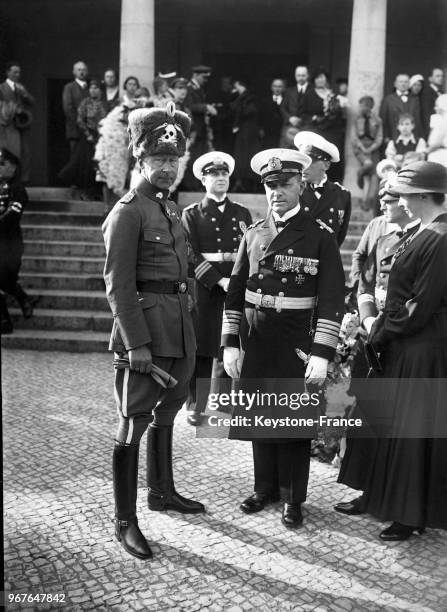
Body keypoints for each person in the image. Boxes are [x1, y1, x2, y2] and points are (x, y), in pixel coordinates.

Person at [102, 102, 205, 561]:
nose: (167, 168)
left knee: (168, 413)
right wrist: (136, 344)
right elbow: (118, 284)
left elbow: (181, 275)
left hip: (179, 330)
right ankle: (125, 522)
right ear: (140, 160)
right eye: (158, 160)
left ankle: (161, 492)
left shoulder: (170, 209)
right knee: (134, 423)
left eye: (173, 160)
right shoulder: (128, 211)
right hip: (145, 333)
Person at [222, 148, 345, 528]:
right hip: (259, 337)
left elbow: (332, 299)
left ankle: (293, 497)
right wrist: (230, 342)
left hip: (297, 339)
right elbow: (236, 289)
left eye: (285, 184)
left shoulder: (319, 235)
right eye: (270, 185)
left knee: (292, 422)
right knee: (261, 415)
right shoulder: (254, 232)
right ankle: (265, 488)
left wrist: (322, 353)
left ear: (301, 185)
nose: (277, 191)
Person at [339, 161, 447, 541]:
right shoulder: (426, 232)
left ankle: (411, 512)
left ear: (420, 196)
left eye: (403, 192)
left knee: (411, 435)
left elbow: (422, 305)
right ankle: (379, 497)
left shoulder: (439, 236)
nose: (397, 198)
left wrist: (379, 331)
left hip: (421, 349)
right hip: (404, 343)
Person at [335, 184, 420, 511]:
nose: (385, 205)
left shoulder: (427, 240)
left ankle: (399, 501)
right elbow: (366, 282)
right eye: (383, 199)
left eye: (393, 200)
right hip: (374, 337)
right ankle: (368, 491)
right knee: (367, 418)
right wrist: (369, 320)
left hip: (403, 339)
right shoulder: (384, 239)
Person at [182, 151, 252, 426]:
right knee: (202, 346)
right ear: (203, 180)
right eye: (214, 175)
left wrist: (236, 280)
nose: (220, 178)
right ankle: (195, 404)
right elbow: (190, 254)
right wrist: (217, 280)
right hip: (207, 287)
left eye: (224, 174)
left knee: (229, 343)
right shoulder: (192, 214)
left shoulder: (242, 213)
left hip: (235, 285)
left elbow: (250, 249)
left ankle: (222, 404)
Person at [0, 148, 37, 333]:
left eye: (2, 164)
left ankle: (22, 298)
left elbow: (13, 213)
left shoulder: (18, 189)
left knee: (6, 281)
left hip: (10, 244)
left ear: (13, 167)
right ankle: (5, 321)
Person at [294, 131, 351, 247]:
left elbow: (339, 236)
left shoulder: (342, 195)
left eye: (310, 162)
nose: (304, 167)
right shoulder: (292, 189)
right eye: (302, 162)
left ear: (326, 165)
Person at [59, 79, 106, 200]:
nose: (93, 90)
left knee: (102, 165)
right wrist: (88, 134)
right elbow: (80, 120)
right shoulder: (85, 102)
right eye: (91, 88)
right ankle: (87, 192)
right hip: (89, 137)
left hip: (104, 137)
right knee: (87, 164)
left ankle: (99, 192)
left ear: (100, 90)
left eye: (96, 88)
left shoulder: (105, 103)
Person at [183, 65, 217, 189]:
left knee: (199, 158)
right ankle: (190, 186)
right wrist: (205, 107)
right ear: (196, 75)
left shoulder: (198, 88)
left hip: (201, 129)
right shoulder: (189, 88)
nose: (205, 80)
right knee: (192, 158)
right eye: (203, 77)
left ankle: (196, 185)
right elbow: (189, 106)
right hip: (193, 130)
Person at [0, 62, 34, 183]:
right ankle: (9, 180)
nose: (17, 75)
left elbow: (32, 102)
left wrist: (24, 93)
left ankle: (22, 181)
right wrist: (13, 108)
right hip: (8, 126)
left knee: (24, 154)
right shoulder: (2, 88)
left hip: (21, 125)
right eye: (14, 72)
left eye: (19, 72)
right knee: (10, 153)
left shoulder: (20, 88)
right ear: (8, 72)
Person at [352, 95, 383, 210]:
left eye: (362, 105)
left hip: (373, 149)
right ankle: (359, 174)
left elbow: (379, 137)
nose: (360, 108)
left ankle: (365, 200)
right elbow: (354, 136)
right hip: (360, 149)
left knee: (370, 177)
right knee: (368, 164)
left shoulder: (377, 120)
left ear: (369, 106)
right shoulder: (356, 119)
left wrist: (372, 148)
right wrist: (361, 147)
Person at [230, 78, 261, 192]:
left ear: (241, 85)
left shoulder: (249, 97)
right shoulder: (240, 97)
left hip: (249, 130)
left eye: (236, 86)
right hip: (243, 130)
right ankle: (240, 182)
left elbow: (250, 111)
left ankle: (250, 183)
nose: (235, 89)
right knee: (241, 155)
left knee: (247, 154)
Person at [380, 73, 422, 144]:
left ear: (409, 84)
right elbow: (384, 119)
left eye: (406, 82)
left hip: (411, 137)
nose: (403, 84)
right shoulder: (388, 99)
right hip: (394, 136)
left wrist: (419, 136)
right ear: (395, 84)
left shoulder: (415, 99)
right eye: (401, 82)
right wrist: (386, 136)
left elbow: (418, 119)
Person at [62, 61, 89, 153]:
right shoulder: (69, 87)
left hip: (89, 131)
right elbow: (68, 108)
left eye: (84, 70)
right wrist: (80, 123)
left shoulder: (90, 88)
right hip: (75, 130)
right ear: (74, 72)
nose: (81, 72)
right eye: (79, 70)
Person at [280, 65, 310, 141]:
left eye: (303, 75)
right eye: (298, 75)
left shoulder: (313, 90)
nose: (301, 78)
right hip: (290, 126)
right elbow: (282, 107)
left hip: (306, 127)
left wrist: (302, 120)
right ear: (295, 76)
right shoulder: (289, 91)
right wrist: (290, 118)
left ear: (307, 76)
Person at [259, 78, 286, 149]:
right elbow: (261, 116)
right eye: (275, 86)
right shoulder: (265, 101)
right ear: (271, 87)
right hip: (268, 132)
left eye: (279, 86)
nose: (277, 89)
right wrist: (261, 129)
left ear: (283, 88)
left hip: (282, 132)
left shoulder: (287, 100)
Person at [421, 67, 444, 138]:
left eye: (442, 76)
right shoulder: (426, 92)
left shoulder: (441, 93)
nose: (441, 78)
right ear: (430, 78)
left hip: (441, 128)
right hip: (431, 129)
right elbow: (426, 113)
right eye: (437, 76)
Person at [426, 93, 447, 167]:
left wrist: (424, 152)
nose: (435, 108)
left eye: (437, 105)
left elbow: (437, 143)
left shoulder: (445, 120)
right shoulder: (439, 119)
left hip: (440, 155)